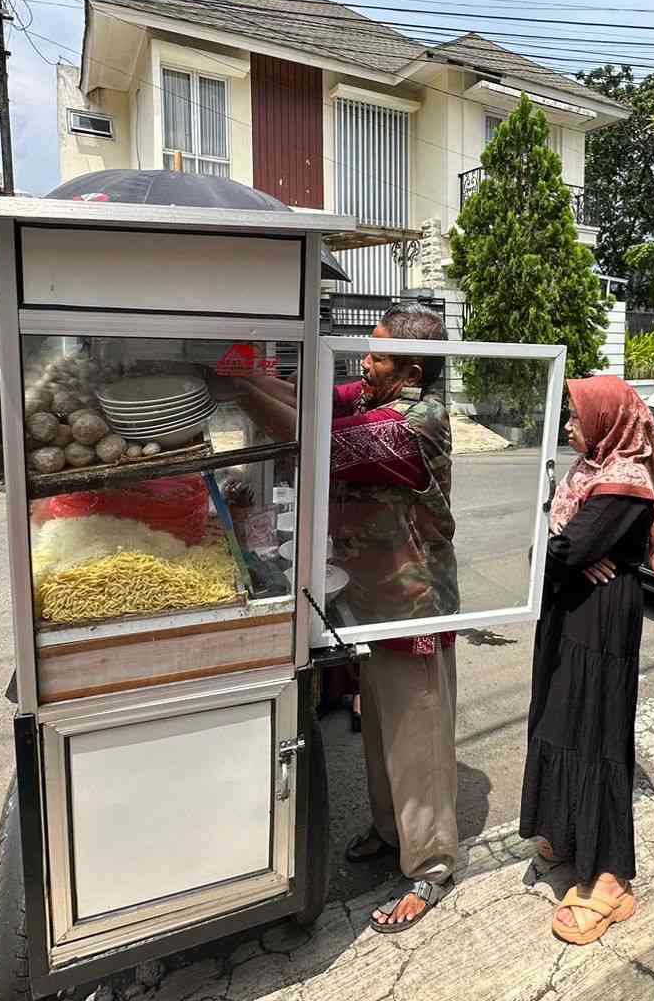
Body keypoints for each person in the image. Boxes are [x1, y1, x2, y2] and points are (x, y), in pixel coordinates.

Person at [241, 301, 460, 933]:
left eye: (379, 352)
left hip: (411, 603)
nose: (365, 359)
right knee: (379, 727)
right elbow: (307, 395)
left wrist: (236, 389)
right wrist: (245, 374)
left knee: (416, 734)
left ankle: (432, 863)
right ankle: (393, 831)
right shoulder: (370, 392)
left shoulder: (418, 422)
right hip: (369, 599)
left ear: (412, 370)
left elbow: (317, 440)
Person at [520, 374, 654, 945]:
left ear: (608, 421)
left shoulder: (625, 480)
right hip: (572, 609)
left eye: (576, 417)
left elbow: (568, 548)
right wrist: (565, 552)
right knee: (562, 718)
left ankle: (609, 877)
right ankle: (567, 828)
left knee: (596, 730)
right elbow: (556, 549)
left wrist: (567, 552)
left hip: (601, 617)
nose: (567, 427)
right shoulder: (590, 471)